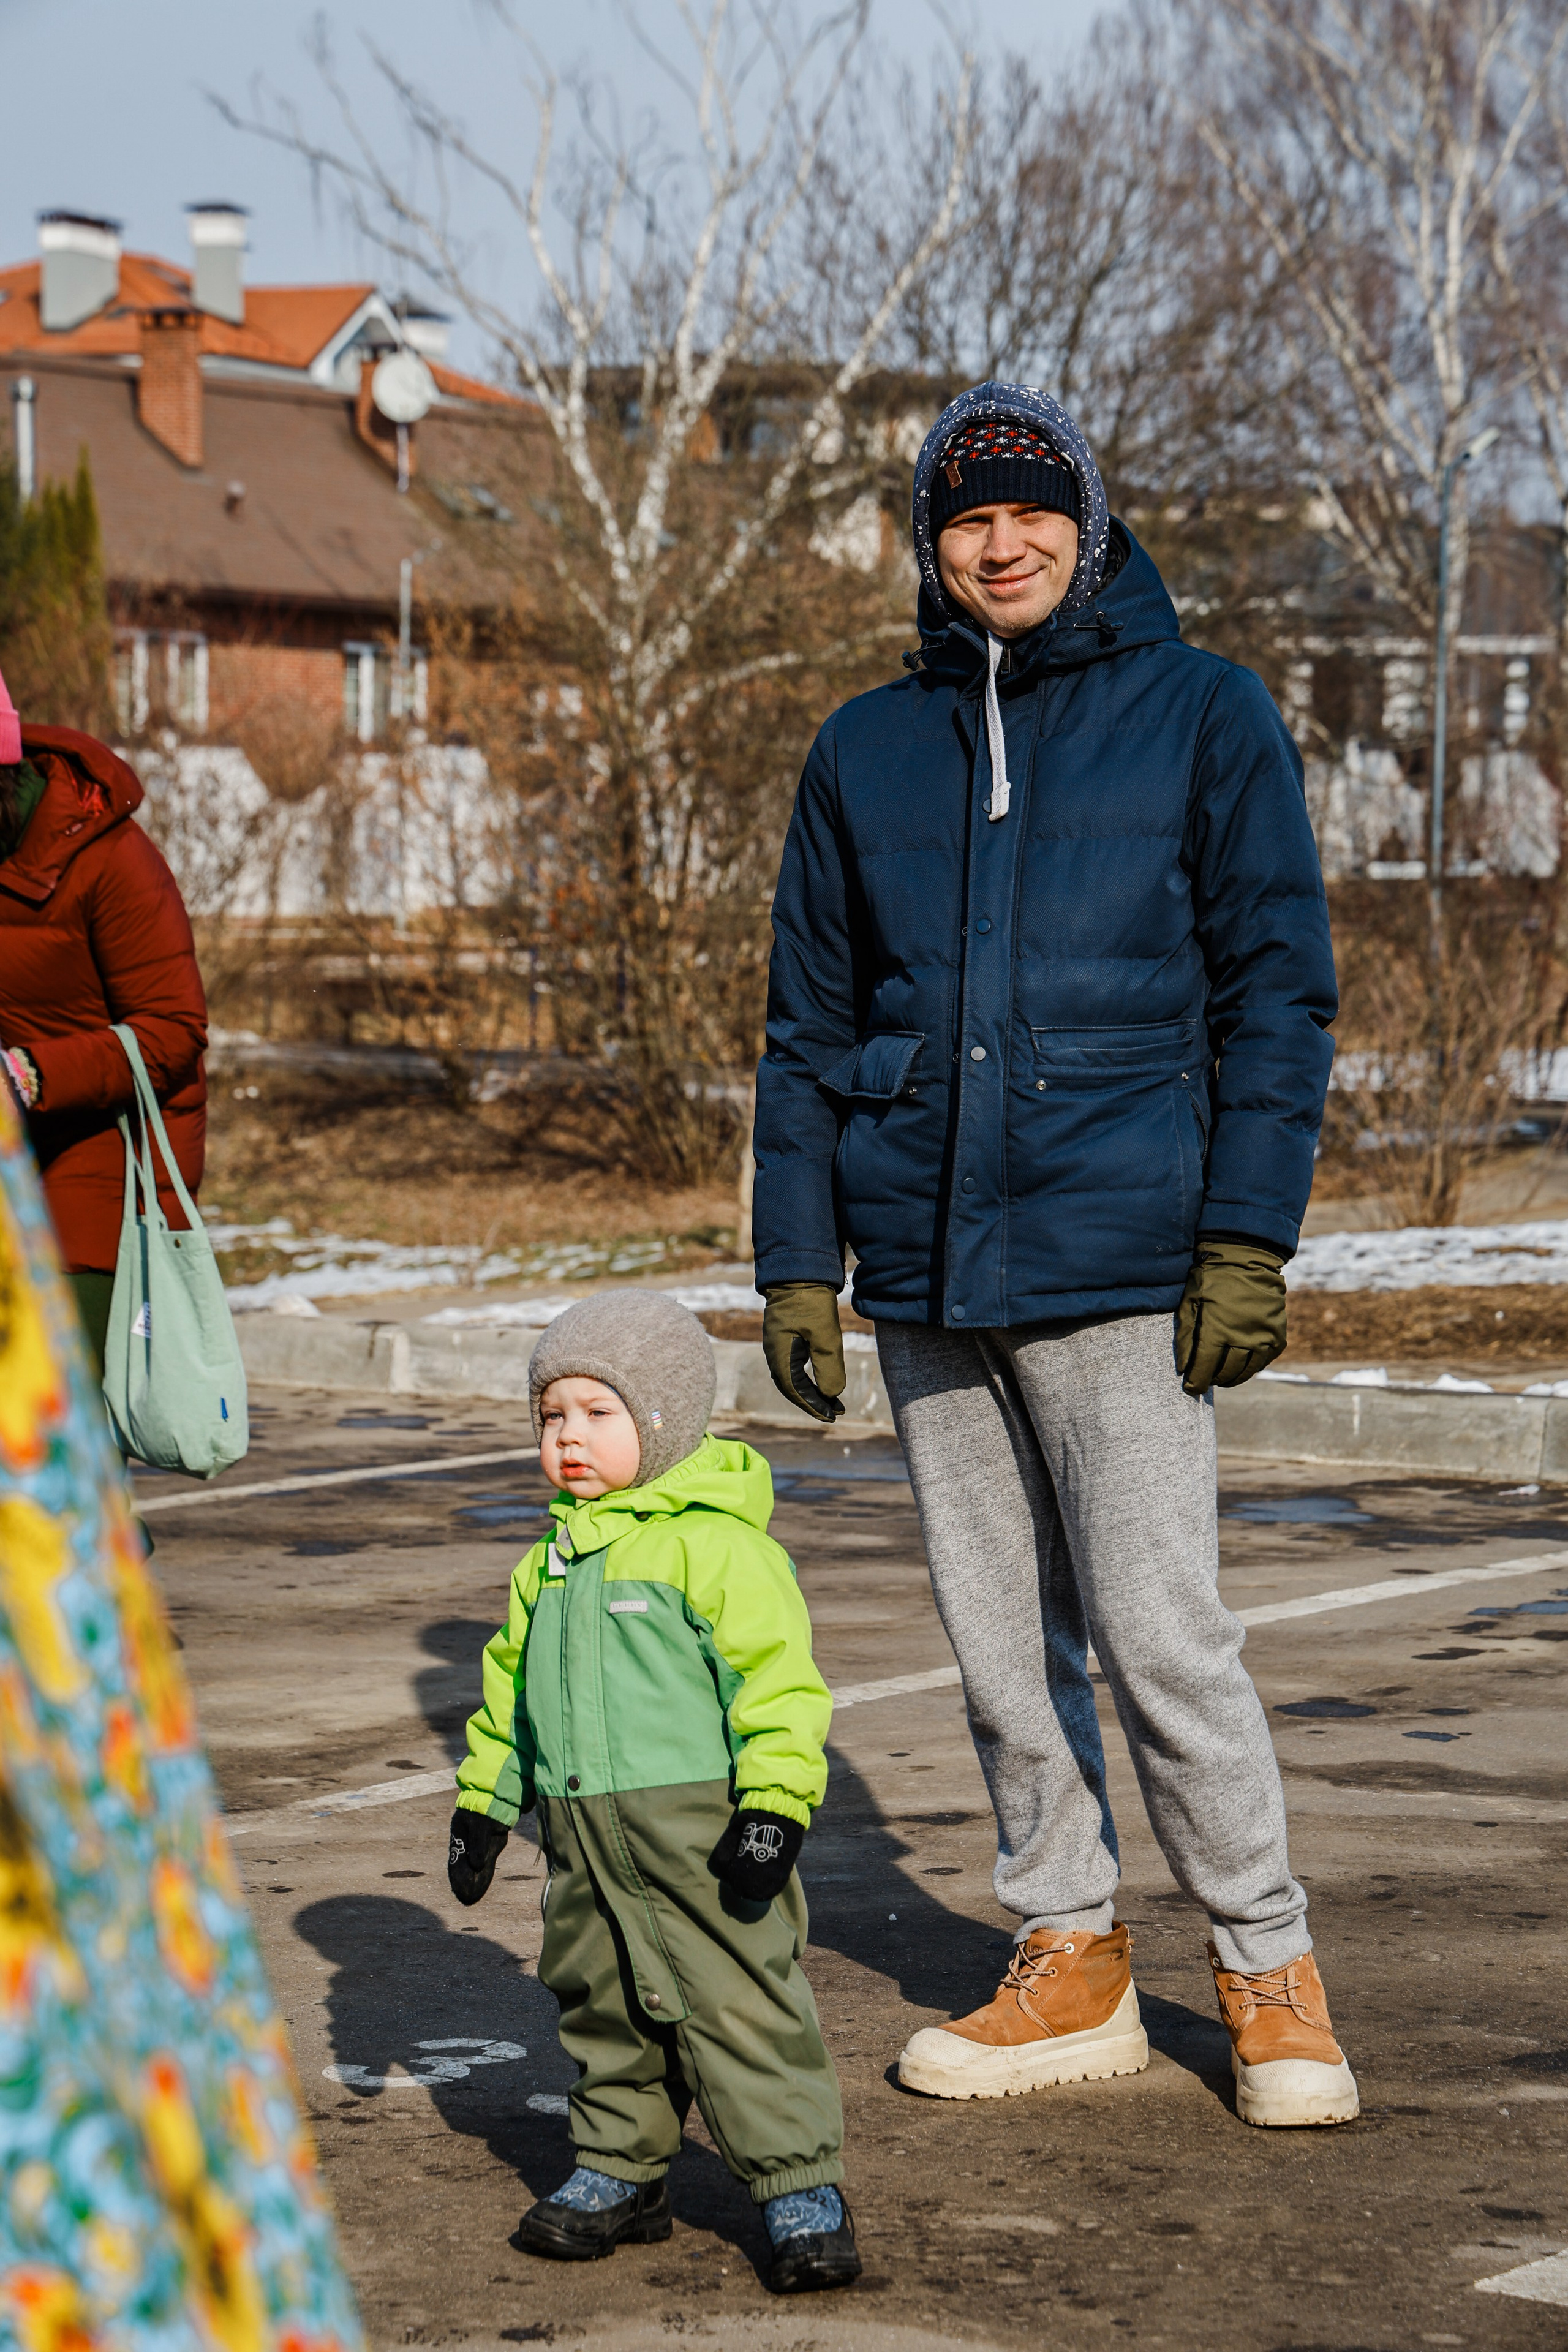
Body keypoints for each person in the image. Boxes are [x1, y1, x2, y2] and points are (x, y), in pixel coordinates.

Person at [752, 383, 1355, 2130]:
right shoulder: (867, 746)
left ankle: (1267, 1970)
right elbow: (803, 1027)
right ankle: (1070, 1955)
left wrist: (1248, 1235)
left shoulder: (1205, 713)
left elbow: (1278, 999)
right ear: (928, 548)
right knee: (1001, 1648)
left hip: (1126, 1255)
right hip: (928, 1263)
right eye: (963, 520)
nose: (998, 544)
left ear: (1089, 524)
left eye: (1028, 513)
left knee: (1167, 1638)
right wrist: (801, 1261)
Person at [446, 1290, 860, 2292]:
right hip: (583, 1839)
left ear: (663, 1423)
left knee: (739, 2005)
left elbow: (782, 1689)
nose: (569, 1438)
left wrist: (774, 1809)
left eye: (599, 1413)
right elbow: (509, 1693)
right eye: (553, 1416)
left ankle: (802, 2187)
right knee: (602, 2006)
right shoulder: (545, 1563)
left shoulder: (715, 1549)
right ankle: (621, 2170)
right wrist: (486, 1804)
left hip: (700, 1833)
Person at [0, 664, 207, 1379]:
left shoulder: (108, 858)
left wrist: (29, 1072)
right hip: (11, 1158)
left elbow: (174, 1032)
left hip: (102, 1167)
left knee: (56, 1422)